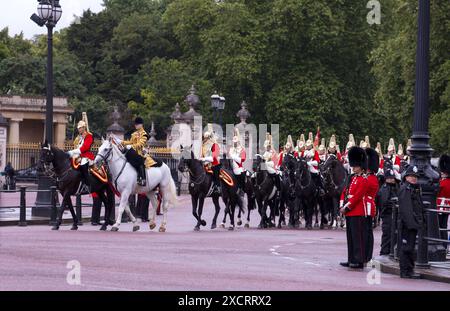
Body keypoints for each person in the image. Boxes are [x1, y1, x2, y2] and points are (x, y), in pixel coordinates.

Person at [339, 146, 368, 269]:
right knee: (350, 237)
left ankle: (359, 260)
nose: (353, 167)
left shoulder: (363, 179)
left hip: (356, 210)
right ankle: (351, 258)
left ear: (361, 166)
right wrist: (341, 205)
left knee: (357, 238)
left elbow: (357, 196)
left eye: (355, 166)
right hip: (349, 211)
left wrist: (347, 207)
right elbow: (346, 192)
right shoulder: (353, 178)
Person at [398, 165, 423, 279]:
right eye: (411, 176)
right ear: (406, 177)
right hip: (408, 224)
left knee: (410, 247)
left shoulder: (413, 188)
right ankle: (405, 271)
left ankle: (409, 270)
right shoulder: (406, 189)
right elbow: (406, 208)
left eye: (415, 176)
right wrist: (412, 224)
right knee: (406, 248)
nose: (414, 178)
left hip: (412, 223)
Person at [68, 119, 95, 192]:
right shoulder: (79, 137)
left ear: (84, 128)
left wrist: (73, 151)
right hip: (79, 155)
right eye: (78, 128)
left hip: (86, 155)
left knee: (83, 165)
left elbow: (84, 148)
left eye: (80, 128)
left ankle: (87, 184)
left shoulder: (89, 136)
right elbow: (77, 146)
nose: (79, 129)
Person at [121, 117, 149, 186]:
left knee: (139, 161)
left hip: (141, 153)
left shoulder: (144, 134)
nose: (135, 125)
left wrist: (131, 146)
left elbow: (140, 144)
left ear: (141, 124)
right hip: (133, 152)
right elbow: (130, 142)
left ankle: (143, 179)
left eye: (137, 124)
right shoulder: (134, 134)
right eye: (135, 124)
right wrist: (122, 142)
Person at [378, 168, 399, 256]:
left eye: (392, 178)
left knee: (393, 234)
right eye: (389, 178)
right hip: (388, 214)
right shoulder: (385, 188)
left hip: (394, 214)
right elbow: (385, 202)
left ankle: (390, 251)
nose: (391, 180)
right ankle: (384, 252)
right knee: (387, 234)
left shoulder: (396, 186)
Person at [364, 148, 380, 262]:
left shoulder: (372, 178)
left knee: (367, 232)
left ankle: (367, 255)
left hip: (368, 207)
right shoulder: (368, 177)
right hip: (364, 206)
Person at [201, 124, 221, 194]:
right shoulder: (203, 145)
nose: (206, 140)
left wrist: (204, 159)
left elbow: (214, 157)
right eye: (205, 138)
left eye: (207, 138)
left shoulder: (215, 145)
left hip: (214, 163)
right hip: (205, 164)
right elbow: (202, 154)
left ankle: (217, 186)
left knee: (215, 172)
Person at [437, 154, 450, 249]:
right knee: (443, 227)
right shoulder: (444, 181)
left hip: (440, 207)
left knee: (440, 227)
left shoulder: (442, 183)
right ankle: (444, 246)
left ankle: (441, 245)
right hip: (447, 207)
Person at [229, 128, 246, 195]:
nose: (235, 143)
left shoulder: (242, 150)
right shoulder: (231, 149)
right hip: (230, 168)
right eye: (234, 142)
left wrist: (233, 156)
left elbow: (241, 160)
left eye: (236, 142)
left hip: (238, 169)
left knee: (241, 178)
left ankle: (242, 189)